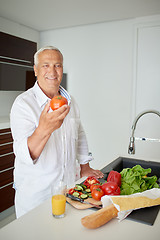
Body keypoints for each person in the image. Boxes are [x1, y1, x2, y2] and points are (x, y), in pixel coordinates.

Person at [10, 46, 103, 218]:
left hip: (68, 188)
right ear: (36, 70)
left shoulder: (70, 101)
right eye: (45, 65)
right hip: (37, 195)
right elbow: (25, 154)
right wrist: (44, 128)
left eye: (57, 65)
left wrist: (85, 166)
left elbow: (79, 134)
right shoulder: (23, 104)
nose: (52, 71)